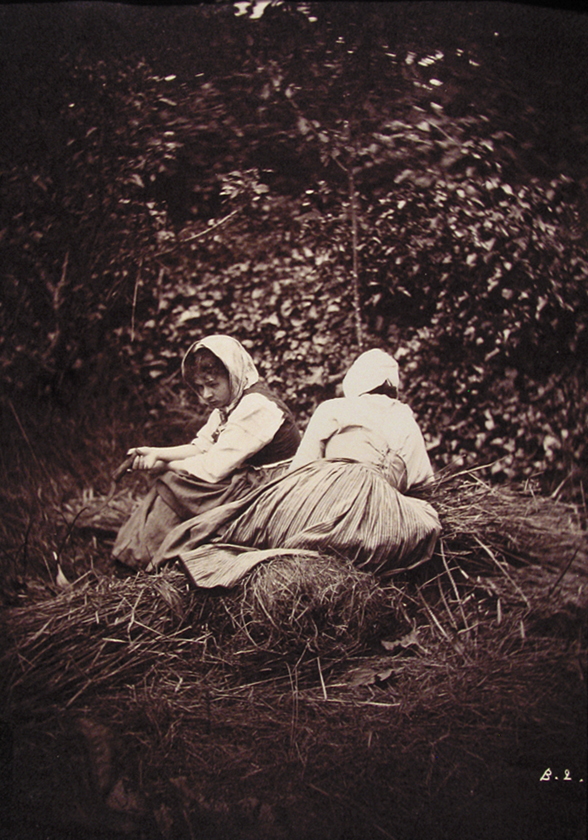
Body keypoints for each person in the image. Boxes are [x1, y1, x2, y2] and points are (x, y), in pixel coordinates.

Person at [148, 348, 441, 583]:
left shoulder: (334, 408)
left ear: (355, 382)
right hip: (384, 502)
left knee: (248, 527)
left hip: (335, 486)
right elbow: (423, 482)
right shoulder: (406, 419)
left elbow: (302, 467)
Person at [112, 334, 300, 569]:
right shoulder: (229, 405)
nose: (206, 395)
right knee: (174, 480)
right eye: (199, 387)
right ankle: (135, 555)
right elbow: (200, 447)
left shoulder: (256, 406)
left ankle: (145, 558)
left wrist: (163, 464)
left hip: (269, 488)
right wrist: (156, 452)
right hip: (245, 477)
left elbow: (212, 469)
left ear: (233, 374)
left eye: (212, 384)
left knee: (175, 482)